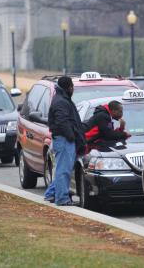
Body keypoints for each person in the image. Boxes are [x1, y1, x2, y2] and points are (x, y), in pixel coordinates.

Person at [44, 76, 86, 205]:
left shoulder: (61, 98)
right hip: (64, 140)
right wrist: (71, 136)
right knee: (64, 170)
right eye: (72, 86)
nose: (73, 89)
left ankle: (51, 194)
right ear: (68, 87)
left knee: (63, 168)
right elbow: (62, 121)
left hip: (63, 139)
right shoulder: (61, 101)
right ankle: (62, 199)